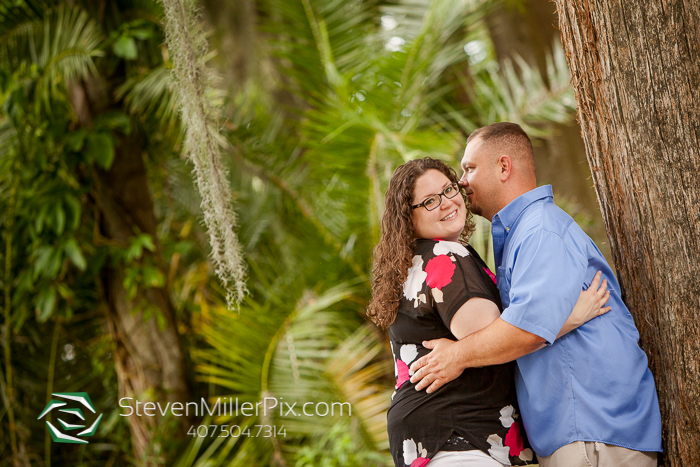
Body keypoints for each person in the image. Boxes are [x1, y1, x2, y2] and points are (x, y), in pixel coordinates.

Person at [408, 123, 663, 467]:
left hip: (591, 430)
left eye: (469, 168)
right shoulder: (523, 233)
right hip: (579, 432)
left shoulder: (539, 230)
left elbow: (528, 330)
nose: (462, 181)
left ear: (503, 167)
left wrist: (456, 356)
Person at [368, 157, 611, 467]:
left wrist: (457, 353)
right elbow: (497, 338)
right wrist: (571, 317)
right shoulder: (446, 256)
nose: (446, 202)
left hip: (433, 437)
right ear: (408, 218)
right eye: (429, 201)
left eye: (448, 189)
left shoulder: (412, 264)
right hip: (459, 437)